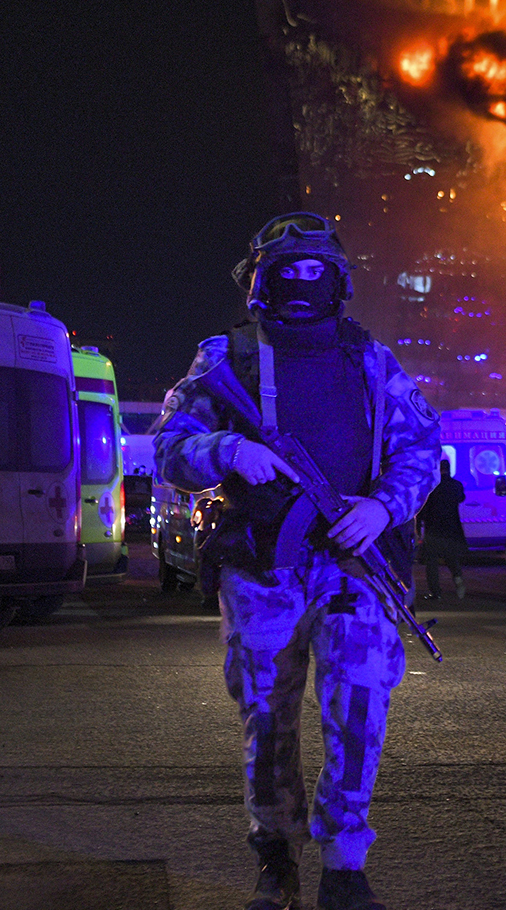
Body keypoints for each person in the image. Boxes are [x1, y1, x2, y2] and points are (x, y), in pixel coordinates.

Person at [153, 212, 441, 910]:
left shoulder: (371, 361)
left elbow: (421, 449)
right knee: (266, 716)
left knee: (360, 700)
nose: (303, 284)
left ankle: (344, 864)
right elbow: (169, 443)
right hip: (261, 567)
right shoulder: (226, 360)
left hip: (351, 561)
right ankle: (274, 859)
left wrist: (381, 507)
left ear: (337, 282)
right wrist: (228, 452)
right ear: (260, 283)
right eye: (289, 272)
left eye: (318, 272)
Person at [415, 457, 467, 601]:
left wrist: (418, 528)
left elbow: (421, 508)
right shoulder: (456, 485)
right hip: (451, 529)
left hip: (433, 529)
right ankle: (458, 580)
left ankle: (435, 592)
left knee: (431, 563)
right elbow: (461, 498)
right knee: (451, 558)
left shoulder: (430, 486)